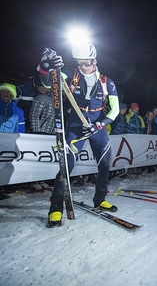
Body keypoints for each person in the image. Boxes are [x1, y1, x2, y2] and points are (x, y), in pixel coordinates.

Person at [36, 43, 120, 227]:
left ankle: (100, 200)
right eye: (79, 62)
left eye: (86, 63)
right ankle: (56, 208)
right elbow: (47, 83)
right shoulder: (70, 74)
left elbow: (115, 110)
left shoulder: (107, 82)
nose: (83, 66)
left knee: (105, 164)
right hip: (76, 126)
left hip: (97, 127)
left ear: (94, 61)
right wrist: (44, 67)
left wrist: (101, 124)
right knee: (66, 165)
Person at [28, 77, 55, 192]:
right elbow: (34, 115)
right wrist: (36, 131)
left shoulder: (53, 99)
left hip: (51, 132)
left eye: (41, 87)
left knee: (46, 157)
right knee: (38, 157)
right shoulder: (40, 98)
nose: (40, 89)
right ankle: (34, 181)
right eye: (39, 87)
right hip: (41, 132)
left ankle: (42, 178)